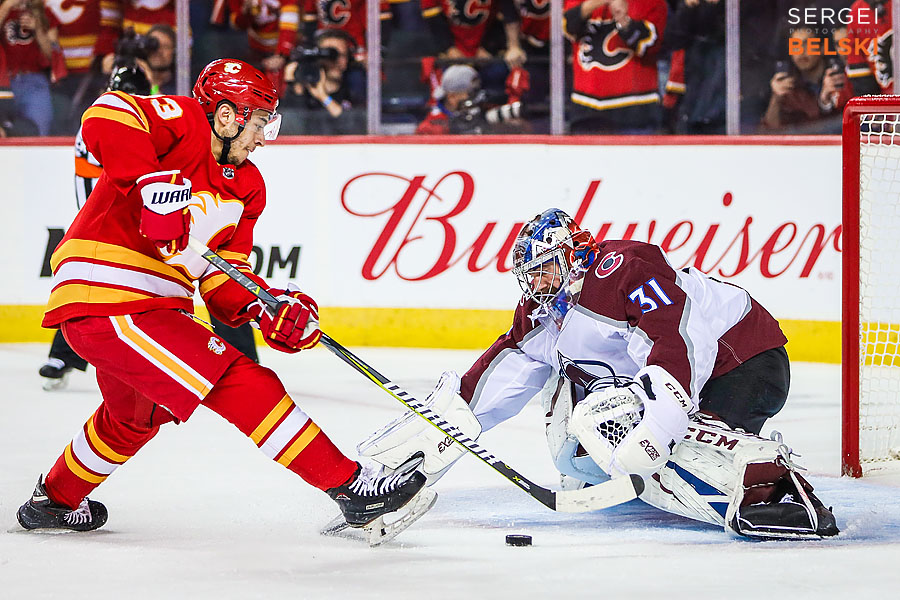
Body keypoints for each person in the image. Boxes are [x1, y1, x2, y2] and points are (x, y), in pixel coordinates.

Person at [17, 58, 431, 540]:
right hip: (108, 296)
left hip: (155, 306)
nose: (261, 138)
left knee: (132, 419)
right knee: (237, 376)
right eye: (259, 123)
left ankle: (53, 501)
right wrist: (148, 184)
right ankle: (351, 487)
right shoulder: (184, 121)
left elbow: (223, 278)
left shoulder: (248, 186)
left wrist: (267, 307)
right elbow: (107, 112)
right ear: (228, 114)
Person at [358, 208, 839, 539]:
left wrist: (659, 428)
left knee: (659, 443)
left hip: (743, 361)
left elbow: (680, 341)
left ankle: (775, 483)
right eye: (531, 276)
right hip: (695, 372)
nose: (536, 285)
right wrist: (423, 454)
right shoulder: (544, 313)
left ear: (571, 254)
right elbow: (491, 387)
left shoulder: (622, 270)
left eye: (545, 270)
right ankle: (688, 457)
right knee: (580, 437)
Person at [39, 63, 261, 391]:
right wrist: (140, 200)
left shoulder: (164, 122)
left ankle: (244, 358)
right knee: (99, 286)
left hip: (172, 210)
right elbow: (93, 184)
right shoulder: (112, 121)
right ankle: (64, 355)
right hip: (128, 216)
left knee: (216, 269)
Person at [563, 0, 667, 134]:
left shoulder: (652, 3)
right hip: (586, 109)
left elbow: (652, 45)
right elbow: (567, 26)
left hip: (635, 109)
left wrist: (624, 21)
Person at [761, 29, 851, 133]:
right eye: (795, 45)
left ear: (822, 48)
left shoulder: (838, 77)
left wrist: (826, 101)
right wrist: (776, 98)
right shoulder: (787, 84)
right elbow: (770, 131)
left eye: (807, 44)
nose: (801, 51)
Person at [281, 29, 365, 133]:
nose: (336, 61)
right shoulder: (303, 89)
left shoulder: (354, 91)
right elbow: (290, 131)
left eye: (342, 55)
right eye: (330, 55)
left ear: (349, 59)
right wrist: (296, 89)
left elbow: (355, 131)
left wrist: (323, 97)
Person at [0, 0, 62, 136]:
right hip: (4, 82)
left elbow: (53, 55)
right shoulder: (4, 9)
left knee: (39, 132)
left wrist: (38, 29)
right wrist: (6, 6)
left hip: (34, 82)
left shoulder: (44, 12)